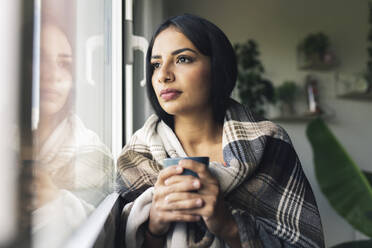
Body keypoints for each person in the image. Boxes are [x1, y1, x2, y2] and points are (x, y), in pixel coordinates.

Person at [117, 14, 324, 248]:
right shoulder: (136, 156)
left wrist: (228, 225)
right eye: (155, 64)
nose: (163, 75)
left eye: (183, 59)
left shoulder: (269, 144)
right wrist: (154, 226)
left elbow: (306, 243)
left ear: (217, 66)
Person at [32, 20, 114, 248]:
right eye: (39, 59)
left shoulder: (90, 152)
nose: (51, 75)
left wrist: (49, 197)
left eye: (64, 64)